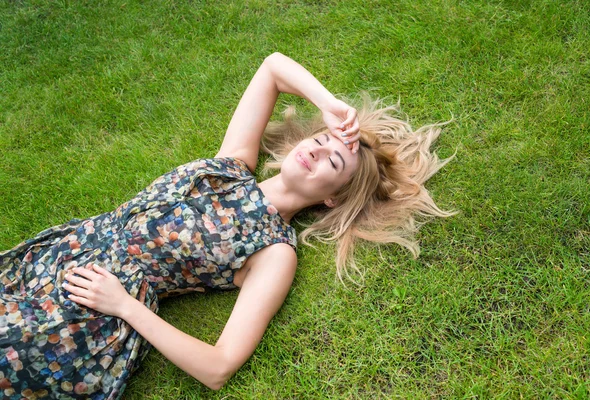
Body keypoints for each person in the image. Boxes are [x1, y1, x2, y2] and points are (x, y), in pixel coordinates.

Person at [0, 53, 453, 399]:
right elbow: (273, 67)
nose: (316, 150)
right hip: (59, 254)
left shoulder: (275, 254)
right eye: (320, 139)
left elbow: (218, 367)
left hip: (86, 314)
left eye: (333, 159)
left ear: (333, 197)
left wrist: (125, 306)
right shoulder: (232, 166)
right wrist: (329, 104)